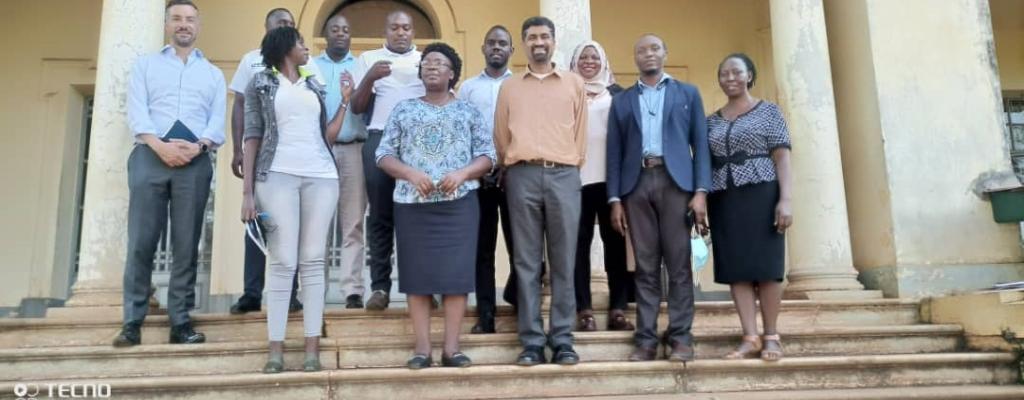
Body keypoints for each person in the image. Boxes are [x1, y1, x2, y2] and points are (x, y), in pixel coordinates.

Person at [240, 27, 353, 373]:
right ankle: (275, 349)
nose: (307, 48)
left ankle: (311, 349)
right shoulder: (259, 83)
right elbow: (252, 136)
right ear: (286, 46)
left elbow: (327, 136)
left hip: (321, 176)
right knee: (283, 261)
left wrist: (345, 100)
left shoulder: (313, 83)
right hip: (276, 177)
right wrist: (247, 193)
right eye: (302, 43)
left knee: (313, 260)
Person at [376, 43, 495, 369]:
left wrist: (463, 173)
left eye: (439, 63)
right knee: (418, 278)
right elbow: (383, 154)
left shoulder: (468, 111)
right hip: (413, 206)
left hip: (459, 206)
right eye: (427, 62)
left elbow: (488, 156)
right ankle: (423, 350)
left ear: (452, 73)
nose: (431, 67)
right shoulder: (403, 109)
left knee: (456, 278)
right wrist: (410, 173)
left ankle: (452, 349)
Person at [114, 0, 225, 347]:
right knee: (141, 243)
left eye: (190, 19)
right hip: (150, 155)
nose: (183, 24)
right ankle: (132, 322)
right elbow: (137, 112)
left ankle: (180, 322)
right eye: (176, 18)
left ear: (199, 26)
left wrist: (200, 146)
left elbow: (217, 121)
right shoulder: (145, 66)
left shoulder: (213, 74)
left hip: (194, 161)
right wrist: (160, 146)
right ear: (167, 25)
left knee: (187, 244)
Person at [607, 34, 711, 362]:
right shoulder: (621, 101)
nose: (648, 54)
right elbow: (614, 152)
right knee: (645, 268)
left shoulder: (688, 93)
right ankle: (647, 340)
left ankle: (681, 338)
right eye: (641, 50)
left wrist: (700, 192)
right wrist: (614, 199)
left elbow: (701, 146)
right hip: (636, 185)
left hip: (676, 183)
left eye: (654, 48)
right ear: (635, 58)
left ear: (665, 53)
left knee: (679, 265)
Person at [494, 16, 587, 366]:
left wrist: (568, 164)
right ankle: (532, 340)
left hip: (564, 175)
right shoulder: (510, 87)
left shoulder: (574, 83)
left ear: (553, 42)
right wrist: (514, 165)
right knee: (527, 261)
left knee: (564, 261)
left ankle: (562, 338)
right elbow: (501, 135)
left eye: (544, 36)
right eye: (532, 36)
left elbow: (580, 134)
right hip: (522, 175)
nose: (539, 42)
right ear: (523, 43)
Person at [227, 7, 318, 315]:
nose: (287, 29)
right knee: (257, 223)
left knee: (291, 228)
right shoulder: (251, 62)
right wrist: (239, 150)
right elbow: (241, 106)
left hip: (298, 159)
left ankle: (289, 294)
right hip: (263, 154)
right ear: (266, 29)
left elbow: (317, 110)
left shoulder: (308, 64)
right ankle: (251, 292)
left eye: (291, 26)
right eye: (281, 24)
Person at [707, 53, 792, 362]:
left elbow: (782, 157)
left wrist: (786, 199)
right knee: (737, 270)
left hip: (762, 193)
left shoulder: (769, 111)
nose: (730, 78)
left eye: (736, 72)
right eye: (724, 73)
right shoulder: (710, 120)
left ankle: (771, 335)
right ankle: (750, 337)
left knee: (768, 269)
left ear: (749, 75)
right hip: (724, 198)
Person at [351, 10, 426, 311]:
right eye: (394, 27)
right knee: (380, 215)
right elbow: (356, 106)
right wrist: (370, 78)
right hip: (379, 139)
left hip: (419, 143)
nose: (400, 32)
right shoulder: (369, 59)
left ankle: (420, 287)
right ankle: (380, 287)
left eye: (406, 28)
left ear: (413, 32)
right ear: (386, 30)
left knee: (417, 216)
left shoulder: (426, 59)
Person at [567, 40, 634, 333]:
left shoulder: (617, 95)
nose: (589, 61)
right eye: (583, 57)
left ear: (604, 62)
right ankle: (583, 309)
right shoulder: (566, 92)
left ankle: (618, 308)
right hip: (573, 180)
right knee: (577, 246)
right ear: (574, 62)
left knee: (615, 244)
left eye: (595, 57)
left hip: (611, 182)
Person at [457, 25, 516, 334]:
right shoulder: (468, 88)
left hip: (515, 176)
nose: (496, 47)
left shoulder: (520, 85)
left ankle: (519, 303)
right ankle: (486, 315)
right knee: (483, 250)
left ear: (511, 51)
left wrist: (509, 163)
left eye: (502, 43)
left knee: (522, 246)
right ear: (483, 48)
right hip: (478, 178)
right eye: (491, 42)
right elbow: (461, 131)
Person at [314, 13, 369, 309]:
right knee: (316, 223)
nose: (340, 33)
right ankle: (313, 290)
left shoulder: (360, 67)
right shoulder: (310, 66)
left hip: (352, 150)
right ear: (326, 34)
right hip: (317, 152)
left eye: (346, 30)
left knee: (353, 222)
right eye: (335, 29)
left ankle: (352, 290)